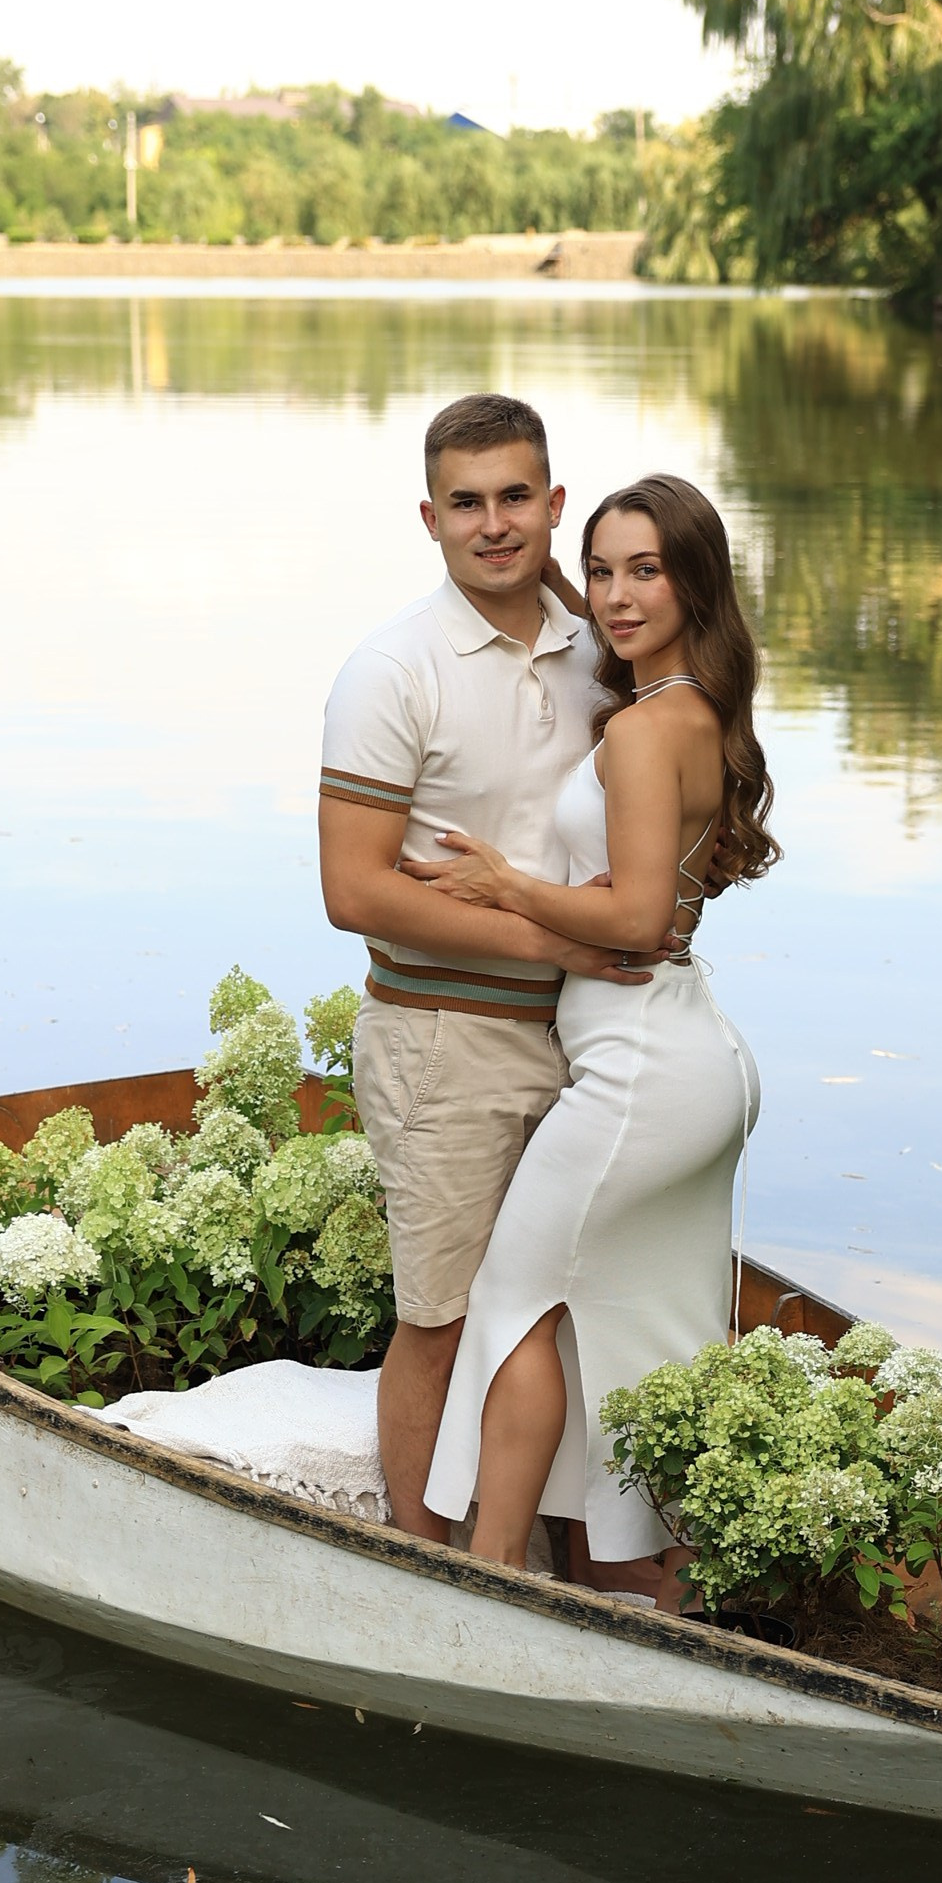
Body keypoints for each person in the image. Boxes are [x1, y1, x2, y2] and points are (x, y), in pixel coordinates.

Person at [411, 473, 777, 1589]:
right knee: (638, 1340)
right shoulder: (697, 710)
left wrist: (504, 886)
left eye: (646, 572)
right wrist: (553, 570)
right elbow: (654, 908)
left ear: (694, 580)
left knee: (515, 1303)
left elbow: (631, 919)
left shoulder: (638, 731)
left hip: (636, 1074)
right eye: (603, 571)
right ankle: (655, 1592)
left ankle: (491, 1579)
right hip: (685, 1053)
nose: (615, 599)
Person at [318, 392, 651, 1537]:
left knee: (560, 1318)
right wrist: (557, 940)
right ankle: (417, 1565)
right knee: (445, 1318)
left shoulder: (599, 653)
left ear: (556, 504)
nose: (493, 524)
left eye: (516, 497)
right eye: (467, 503)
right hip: (441, 1044)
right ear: (428, 517)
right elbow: (354, 891)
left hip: (589, 1042)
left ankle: (542, 1559)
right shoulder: (390, 672)